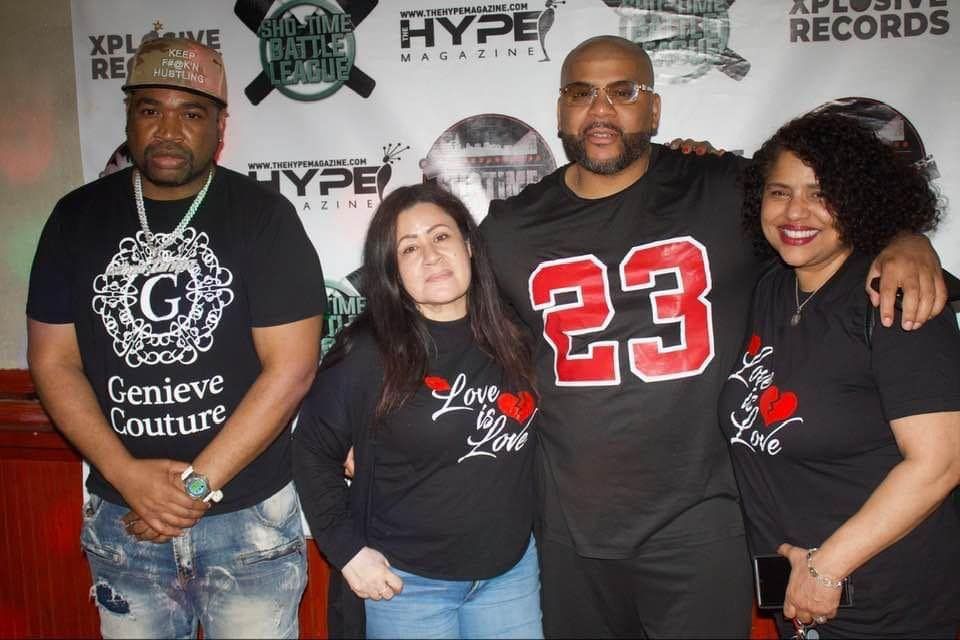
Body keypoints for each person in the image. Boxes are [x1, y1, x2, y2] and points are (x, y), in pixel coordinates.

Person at [478, 35, 947, 638]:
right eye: (581, 92)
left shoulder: (726, 188)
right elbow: (450, 327)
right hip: (571, 528)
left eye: (624, 91)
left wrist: (907, 240)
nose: (601, 109)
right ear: (561, 109)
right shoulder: (510, 227)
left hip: (703, 525)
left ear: (654, 109)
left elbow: (828, 209)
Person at [26, 36, 325, 639]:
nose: (168, 130)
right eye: (150, 110)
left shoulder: (263, 217)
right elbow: (53, 361)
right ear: (128, 117)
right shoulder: (75, 219)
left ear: (219, 127)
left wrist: (192, 487)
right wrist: (126, 475)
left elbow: (291, 368)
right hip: (123, 514)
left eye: (191, 113)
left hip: (247, 519)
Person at [720, 111, 960, 638]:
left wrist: (826, 568)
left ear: (859, 201)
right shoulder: (771, 288)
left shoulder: (894, 299)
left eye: (821, 194)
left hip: (885, 606)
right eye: (780, 192)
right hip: (800, 600)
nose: (795, 211)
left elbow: (940, 463)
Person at [293, 183, 543, 639]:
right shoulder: (369, 353)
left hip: (510, 575)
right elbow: (311, 450)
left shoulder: (517, 335)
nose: (431, 256)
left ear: (469, 245)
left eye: (441, 236)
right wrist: (347, 552)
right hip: (408, 586)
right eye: (409, 248)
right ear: (392, 269)